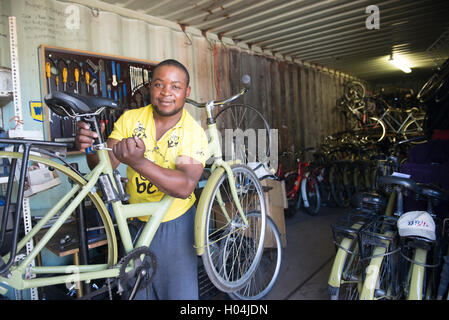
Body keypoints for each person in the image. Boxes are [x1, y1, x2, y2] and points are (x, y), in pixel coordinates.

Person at [75, 59, 209, 299]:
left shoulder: (193, 133)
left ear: (186, 92)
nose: (166, 93)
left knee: (178, 296)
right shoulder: (131, 120)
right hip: (135, 222)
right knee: (137, 292)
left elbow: (185, 186)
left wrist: (139, 162)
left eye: (175, 87)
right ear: (150, 87)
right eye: (159, 84)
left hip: (175, 225)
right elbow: (104, 166)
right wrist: (90, 150)